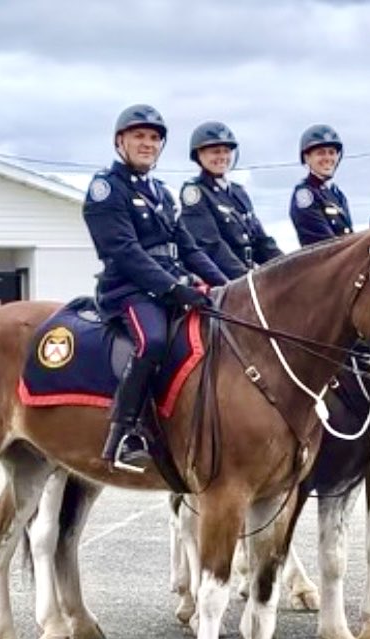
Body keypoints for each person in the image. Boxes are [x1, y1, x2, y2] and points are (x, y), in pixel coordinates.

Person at [83, 104, 227, 473]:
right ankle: (125, 433)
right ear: (121, 142)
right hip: (127, 289)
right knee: (154, 342)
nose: (147, 144)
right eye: (139, 137)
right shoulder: (105, 189)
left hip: (166, 284)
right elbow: (124, 251)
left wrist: (230, 289)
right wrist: (173, 289)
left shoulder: (161, 194)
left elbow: (189, 248)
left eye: (153, 138)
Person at [179, 121, 283, 279]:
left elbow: (262, 241)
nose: (222, 157)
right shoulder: (195, 193)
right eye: (215, 152)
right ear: (199, 155)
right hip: (222, 279)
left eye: (226, 151)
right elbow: (211, 245)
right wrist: (245, 278)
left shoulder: (239, 192)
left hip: (247, 274)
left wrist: (287, 266)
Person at [290, 124, 353, 247]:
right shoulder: (306, 195)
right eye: (321, 153)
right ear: (307, 158)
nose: (327, 158)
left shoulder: (337, 194)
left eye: (332, 152)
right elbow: (322, 245)